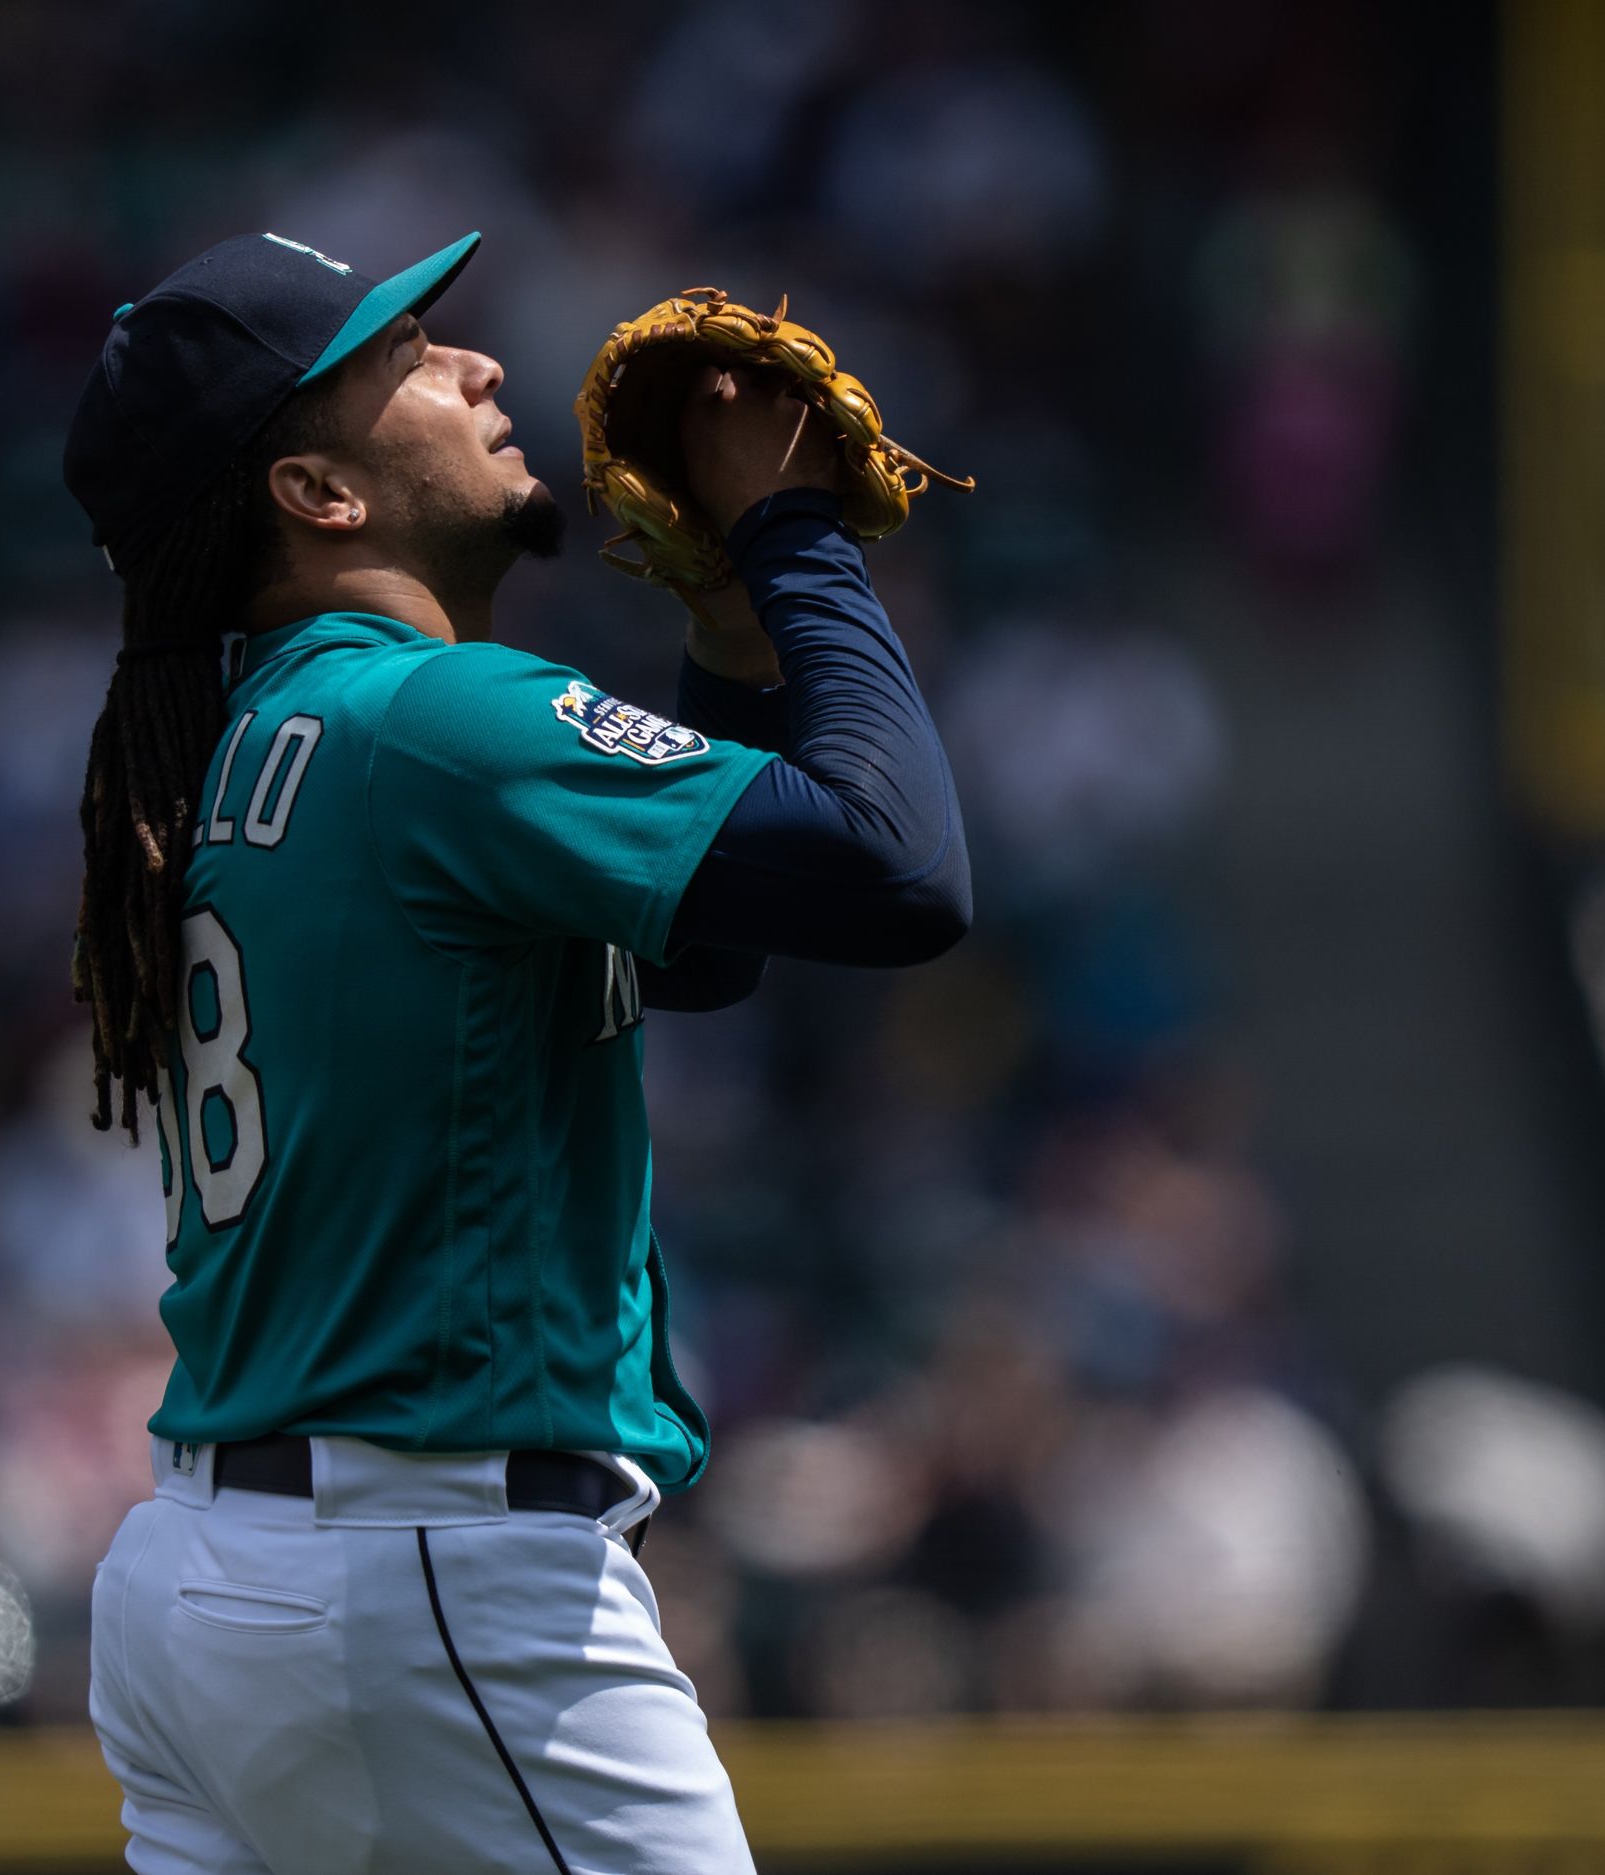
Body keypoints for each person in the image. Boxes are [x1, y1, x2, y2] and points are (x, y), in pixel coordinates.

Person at [62, 228, 968, 1875]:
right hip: (423, 1569)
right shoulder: (433, 720)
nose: (478, 364)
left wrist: (730, 641)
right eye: (402, 356)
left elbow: (693, 956)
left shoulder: (257, 741)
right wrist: (789, 532)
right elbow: (898, 871)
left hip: (218, 1575)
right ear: (319, 494)